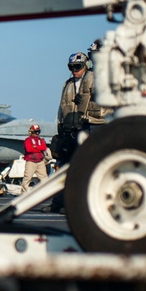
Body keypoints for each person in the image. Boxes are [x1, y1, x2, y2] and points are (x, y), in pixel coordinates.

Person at [49, 51, 110, 212]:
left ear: (85, 65)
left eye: (77, 66)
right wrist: (60, 126)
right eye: (71, 67)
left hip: (84, 127)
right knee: (62, 167)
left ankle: (81, 204)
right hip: (68, 129)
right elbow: (61, 107)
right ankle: (57, 203)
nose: (74, 70)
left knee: (84, 167)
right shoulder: (68, 83)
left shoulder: (92, 79)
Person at [20, 124, 49, 193]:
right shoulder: (28, 140)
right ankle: (23, 193)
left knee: (45, 178)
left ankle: (46, 192)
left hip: (40, 162)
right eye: (35, 132)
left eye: (38, 131)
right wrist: (39, 149)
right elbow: (29, 149)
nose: (37, 133)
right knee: (27, 178)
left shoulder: (41, 140)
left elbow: (44, 148)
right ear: (31, 132)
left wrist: (35, 147)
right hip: (31, 162)